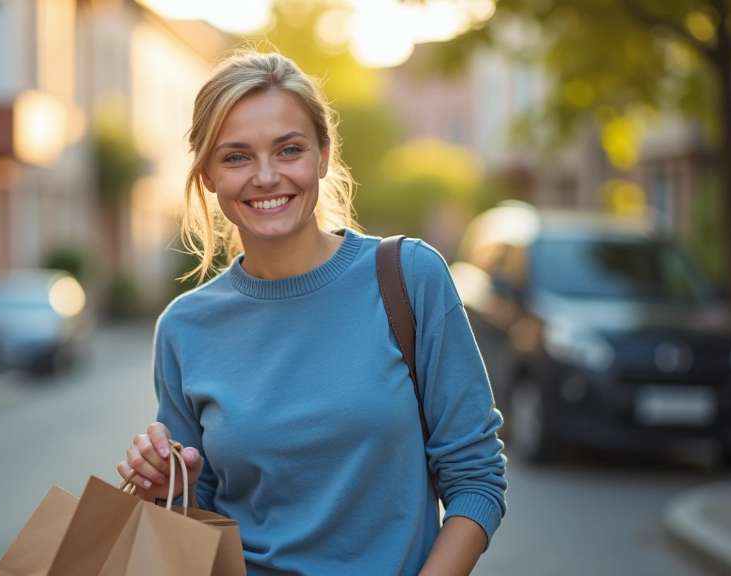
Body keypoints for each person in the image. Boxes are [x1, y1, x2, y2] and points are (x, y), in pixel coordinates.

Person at [116, 49, 507, 576]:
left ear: (323, 155)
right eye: (236, 157)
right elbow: (194, 522)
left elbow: (476, 479)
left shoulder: (409, 278)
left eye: (289, 150)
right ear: (207, 175)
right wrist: (165, 489)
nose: (265, 176)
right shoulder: (185, 327)